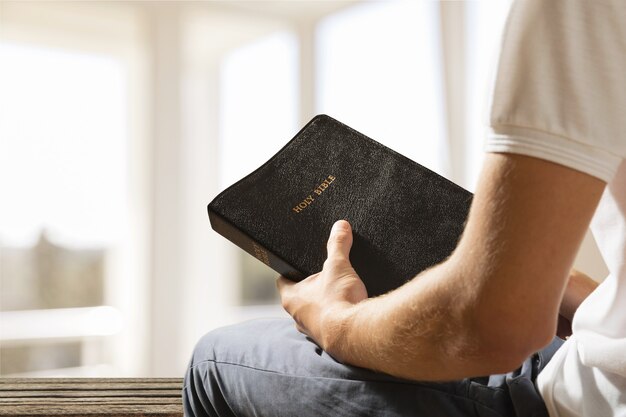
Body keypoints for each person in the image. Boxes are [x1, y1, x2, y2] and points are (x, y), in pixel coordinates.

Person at [183, 0, 626, 416]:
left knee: (213, 360)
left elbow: (493, 329)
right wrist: (597, 302)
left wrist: (335, 322)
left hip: (578, 401)